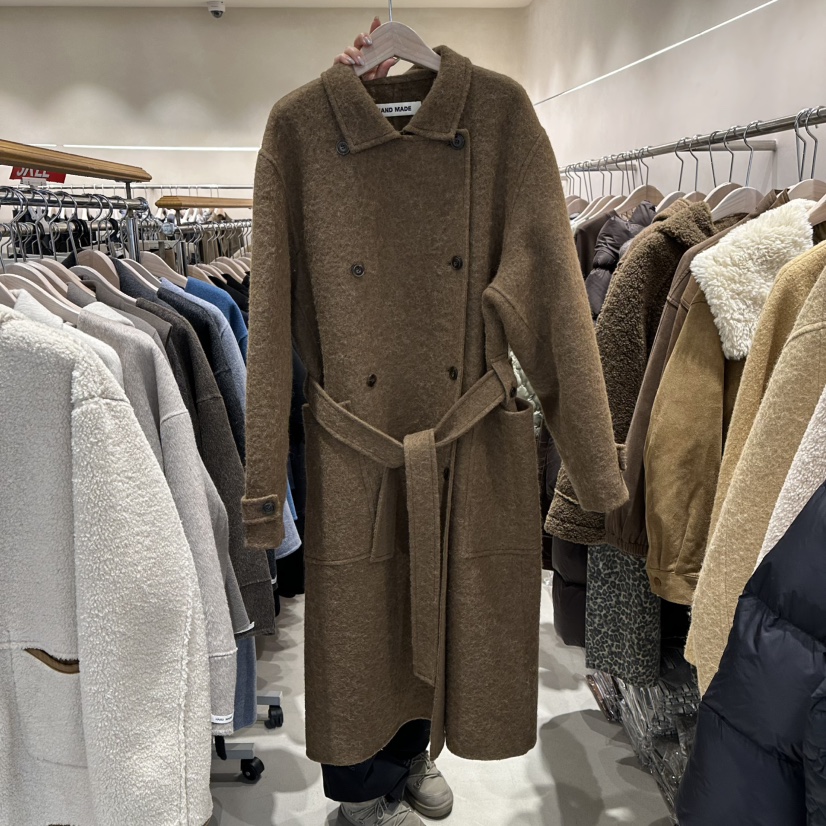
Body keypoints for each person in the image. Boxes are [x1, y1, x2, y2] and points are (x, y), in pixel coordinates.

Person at [326, 22, 456, 826]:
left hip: (439, 428)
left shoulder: (484, 124)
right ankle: (359, 794)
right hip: (349, 434)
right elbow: (272, 321)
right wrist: (265, 484)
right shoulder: (306, 129)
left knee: (420, 604)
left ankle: (410, 757)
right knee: (356, 626)